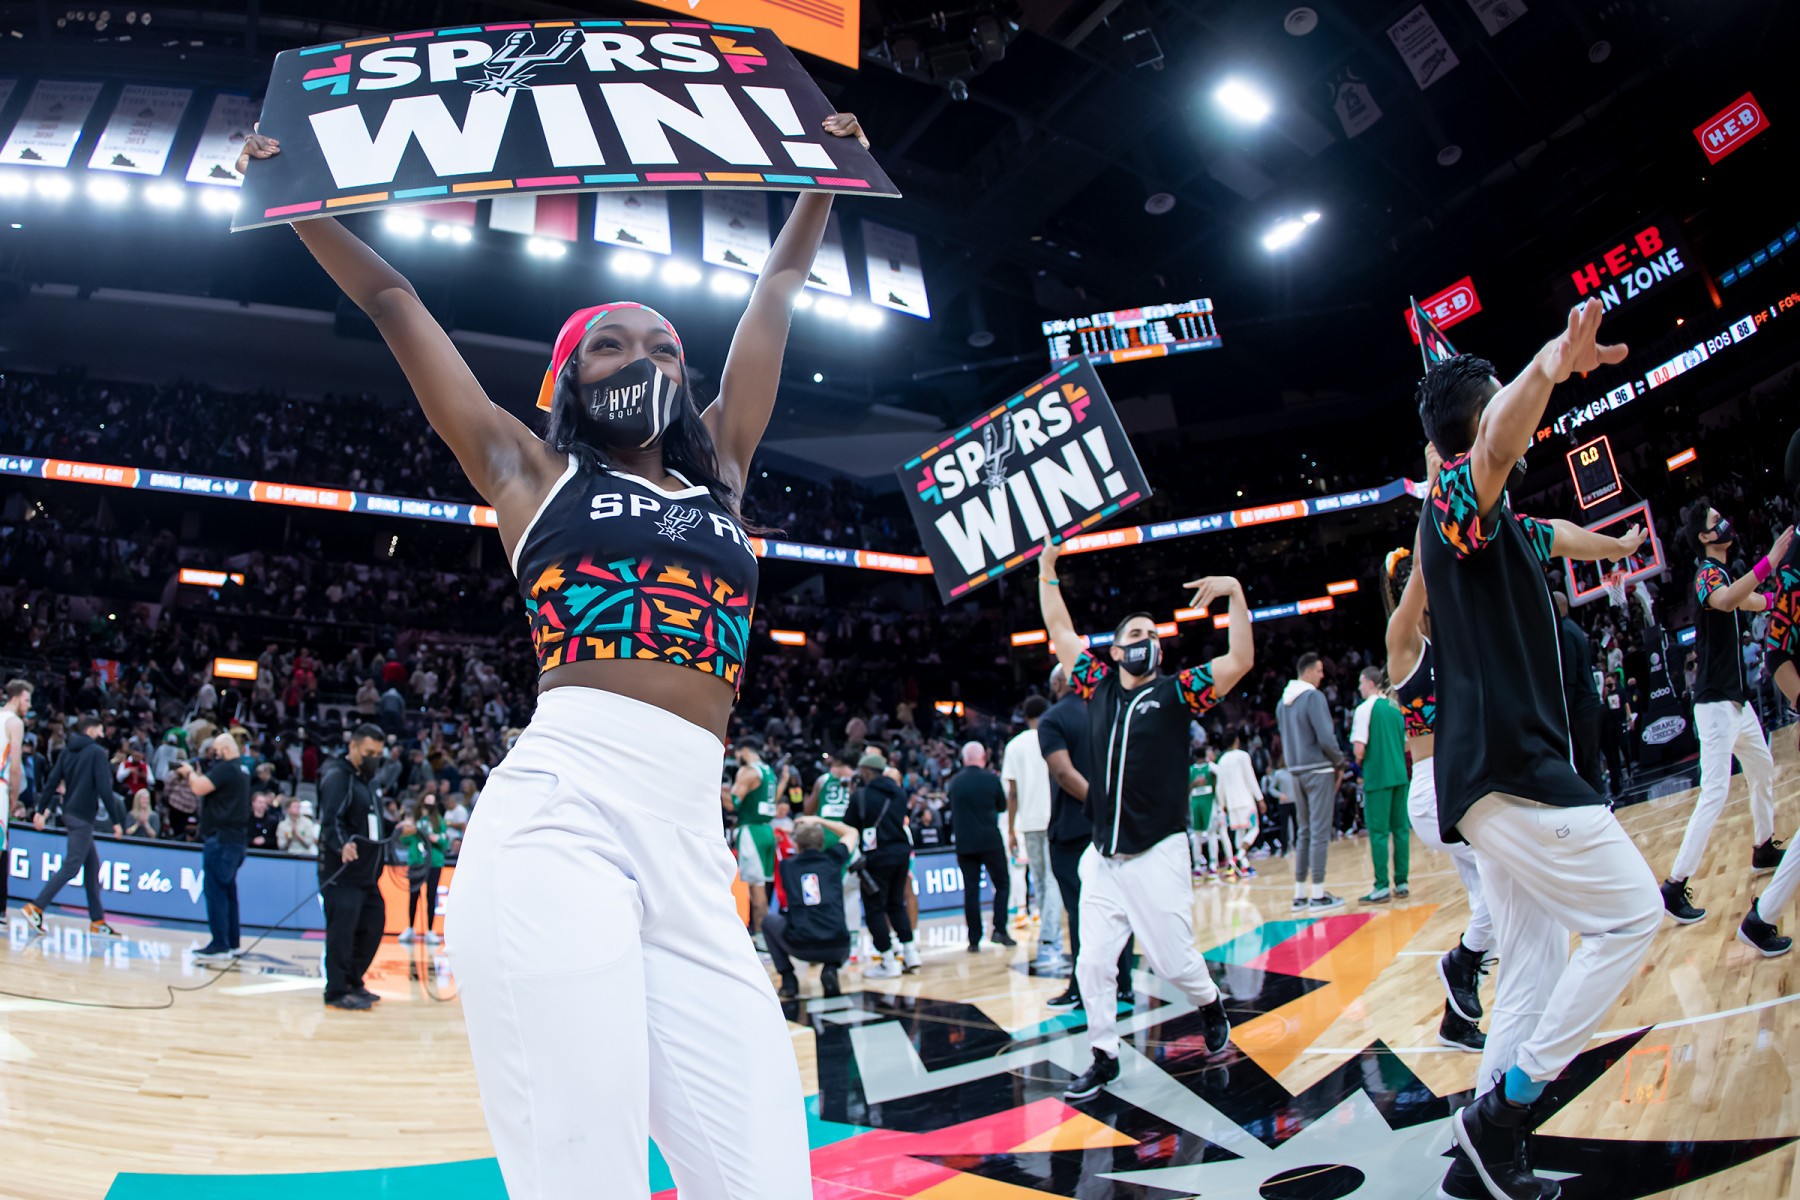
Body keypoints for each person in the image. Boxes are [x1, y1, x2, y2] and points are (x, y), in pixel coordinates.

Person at [251, 106, 869, 1194]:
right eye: (611, 344)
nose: (644, 357)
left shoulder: (724, 471)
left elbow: (773, 292)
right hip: (560, 817)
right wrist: (298, 201)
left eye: (664, 345)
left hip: (691, 842)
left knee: (770, 1175)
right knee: (585, 1172)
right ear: (567, 380)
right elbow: (395, 302)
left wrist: (822, 176)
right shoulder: (529, 471)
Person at [1415, 305, 1661, 1200]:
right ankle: (1505, 1112)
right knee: (1631, 916)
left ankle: (1482, 1158)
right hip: (1512, 774)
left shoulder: (1507, 525)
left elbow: (1559, 533)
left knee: (1533, 963)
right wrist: (1551, 361)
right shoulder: (1457, 503)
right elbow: (1491, 444)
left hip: (1498, 780)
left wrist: (1621, 545)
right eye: (1507, 405)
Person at [1036, 538, 1253, 1102]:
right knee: (1092, 964)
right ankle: (1103, 1056)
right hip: (1103, 857)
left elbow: (1239, 661)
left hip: (1158, 851)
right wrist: (1047, 571)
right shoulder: (1096, 686)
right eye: (1136, 634)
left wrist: (1234, 594)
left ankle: (1209, 1001)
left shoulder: (1179, 692)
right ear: (1114, 651)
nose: (1148, 641)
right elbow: (1059, 629)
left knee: (1172, 962)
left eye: (1154, 635)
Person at [1659, 501, 1792, 924]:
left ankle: (1763, 846)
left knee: (1762, 768)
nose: (1725, 524)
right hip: (1715, 705)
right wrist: (1769, 562)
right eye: (1716, 521)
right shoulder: (1706, 574)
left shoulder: (1724, 573)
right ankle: (1674, 885)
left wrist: (1776, 600)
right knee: (1714, 793)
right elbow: (1726, 599)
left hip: (1737, 703)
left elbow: (1749, 600)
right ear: (1703, 537)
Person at [1384, 538, 1488, 1056]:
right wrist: (1434, 508)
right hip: (1436, 795)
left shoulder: (1451, 639)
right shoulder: (1403, 643)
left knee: (1490, 902)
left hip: (1464, 785)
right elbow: (1426, 566)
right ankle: (1462, 962)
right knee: (1513, 881)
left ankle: (1456, 1020)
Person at [1039, 665, 1135, 1011]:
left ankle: (1084, 987)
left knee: (1081, 911)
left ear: (1057, 683)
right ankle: (1124, 984)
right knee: (1117, 908)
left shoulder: (1052, 719)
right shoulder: (1107, 711)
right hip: (1113, 828)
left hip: (1073, 828)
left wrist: (1099, 806)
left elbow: (1064, 773)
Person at [22, 713, 126, 936]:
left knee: (92, 866)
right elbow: (104, 789)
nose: (102, 733)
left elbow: (52, 781)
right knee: (72, 865)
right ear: (91, 729)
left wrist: (40, 811)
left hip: (69, 811)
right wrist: (116, 821)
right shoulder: (97, 752)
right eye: (100, 729)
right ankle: (36, 907)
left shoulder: (67, 751)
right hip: (83, 816)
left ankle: (97, 921)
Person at [318, 725, 390, 1012]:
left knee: (372, 926)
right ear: (353, 747)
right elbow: (330, 821)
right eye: (369, 752)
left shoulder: (369, 783)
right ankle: (336, 990)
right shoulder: (339, 777)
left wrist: (398, 828)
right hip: (343, 874)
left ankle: (352, 980)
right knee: (342, 933)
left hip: (367, 875)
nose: (374, 758)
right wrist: (342, 845)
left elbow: (374, 823)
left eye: (378, 754)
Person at [1277, 652, 1348, 909]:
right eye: (1319, 671)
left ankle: (1300, 894)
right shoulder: (1313, 697)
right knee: (1319, 832)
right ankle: (1318, 893)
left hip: (1296, 771)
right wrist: (1340, 761)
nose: (1322, 675)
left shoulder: (1282, 702)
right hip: (1318, 770)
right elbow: (1326, 738)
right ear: (1307, 671)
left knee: (1304, 832)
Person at [765, 814, 857, 999]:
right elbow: (851, 832)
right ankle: (830, 969)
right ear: (822, 844)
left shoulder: (787, 866)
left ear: (797, 845)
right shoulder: (833, 859)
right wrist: (819, 820)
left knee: (768, 922)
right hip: (838, 946)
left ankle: (788, 980)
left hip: (802, 945)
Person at [1003, 696, 1064, 973]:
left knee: (1039, 880)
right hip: (1053, 817)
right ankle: (1051, 939)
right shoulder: (1053, 737)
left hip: (1028, 822)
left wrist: (1010, 829)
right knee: (1051, 880)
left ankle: (1048, 937)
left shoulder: (1014, 746)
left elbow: (1013, 794)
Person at [178, 734, 251, 964]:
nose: (214, 756)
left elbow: (199, 788)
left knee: (216, 891)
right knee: (228, 892)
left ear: (226, 750)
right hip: (236, 840)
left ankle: (219, 944)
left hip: (221, 840)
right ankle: (232, 943)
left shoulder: (227, 769)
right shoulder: (243, 770)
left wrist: (189, 773)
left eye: (216, 751)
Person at [845, 750, 918, 979]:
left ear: (867, 772)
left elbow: (849, 826)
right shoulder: (899, 793)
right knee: (896, 904)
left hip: (877, 858)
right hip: (901, 853)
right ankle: (911, 953)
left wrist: (853, 795)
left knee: (875, 908)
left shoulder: (861, 796)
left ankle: (888, 961)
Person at [948, 741, 1014, 953]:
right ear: (983, 758)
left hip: (965, 842)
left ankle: (974, 939)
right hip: (989, 840)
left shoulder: (955, 782)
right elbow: (1002, 806)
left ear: (964, 759)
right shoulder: (991, 779)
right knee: (1002, 884)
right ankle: (999, 930)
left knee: (971, 890)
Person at [1351, 665, 1409, 903]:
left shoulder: (1364, 709)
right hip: (1400, 775)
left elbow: (1359, 750)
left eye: (1361, 683)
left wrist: (1361, 761)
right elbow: (1406, 744)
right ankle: (1402, 883)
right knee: (1401, 831)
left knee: (1379, 834)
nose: (1359, 688)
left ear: (1370, 683)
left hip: (1378, 777)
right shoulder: (1395, 708)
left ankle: (1382, 886)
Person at [728, 735, 779, 943]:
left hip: (752, 832)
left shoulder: (748, 771)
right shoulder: (769, 771)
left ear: (744, 751)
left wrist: (716, 790)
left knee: (756, 888)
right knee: (763, 886)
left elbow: (732, 803)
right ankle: (762, 934)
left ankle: (762, 937)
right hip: (767, 830)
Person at [1554, 592, 1606, 793]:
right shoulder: (1574, 628)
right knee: (1590, 762)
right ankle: (1601, 802)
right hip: (1590, 704)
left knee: (1587, 765)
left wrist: (1563, 710)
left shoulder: (1565, 632)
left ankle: (1600, 804)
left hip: (1582, 708)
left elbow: (1571, 678)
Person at [401, 797, 450, 945]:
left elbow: (445, 843)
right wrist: (408, 829)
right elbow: (404, 840)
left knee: (431, 895)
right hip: (416, 862)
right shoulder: (414, 821)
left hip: (434, 863)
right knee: (413, 895)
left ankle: (430, 930)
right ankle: (410, 927)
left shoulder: (439, 821)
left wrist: (436, 839)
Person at [1214, 731, 1263, 879]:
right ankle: (1237, 858)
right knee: (1254, 829)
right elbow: (1250, 778)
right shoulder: (1243, 756)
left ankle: (1245, 867)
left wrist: (1222, 803)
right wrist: (1260, 798)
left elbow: (1219, 786)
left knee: (1239, 834)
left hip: (1231, 804)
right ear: (1236, 740)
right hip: (1246, 801)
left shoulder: (1222, 760)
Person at [2, 680, 30, 913]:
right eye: (27, 700)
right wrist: (13, 798)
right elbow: (15, 766)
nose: (29, 705)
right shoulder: (15, 723)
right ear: (16, 697)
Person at [1189, 746, 1223, 879]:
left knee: (1199, 835)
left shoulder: (1207, 768)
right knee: (1208, 835)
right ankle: (1208, 865)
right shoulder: (1196, 769)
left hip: (1202, 803)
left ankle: (1202, 866)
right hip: (1202, 803)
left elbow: (1219, 782)